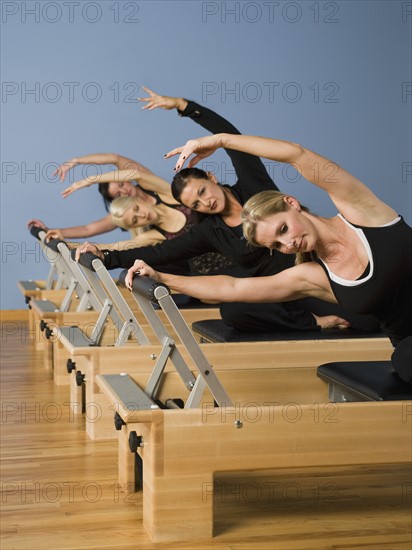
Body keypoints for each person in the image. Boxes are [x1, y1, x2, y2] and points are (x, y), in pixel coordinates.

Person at [78, 88, 380, 332]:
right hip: (276, 296)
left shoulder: (253, 184)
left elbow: (232, 138)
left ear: (211, 177)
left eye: (203, 192)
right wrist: (107, 256)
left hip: (316, 276)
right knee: (234, 309)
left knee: (368, 319)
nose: (205, 202)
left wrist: (183, 106)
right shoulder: (210, 231)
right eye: (195, 204)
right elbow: (160, 253)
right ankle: (313, 324)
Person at [123, 133, 412, 383]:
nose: (289, 243)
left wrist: (222, 140)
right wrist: (163, 279)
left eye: (283, 228)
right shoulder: (312, 275)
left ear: (291, 203)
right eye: (277, 244)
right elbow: (232, 289)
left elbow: (297, 154)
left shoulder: (361, 210)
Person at [27, 152, 178, 241]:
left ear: (125, 177)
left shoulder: (148, 182)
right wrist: (49, 230)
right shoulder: (126, 213)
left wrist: (76, 161)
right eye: (118, 194)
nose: (124, 192)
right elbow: (87, 229)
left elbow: (115, 158)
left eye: (121, 185)